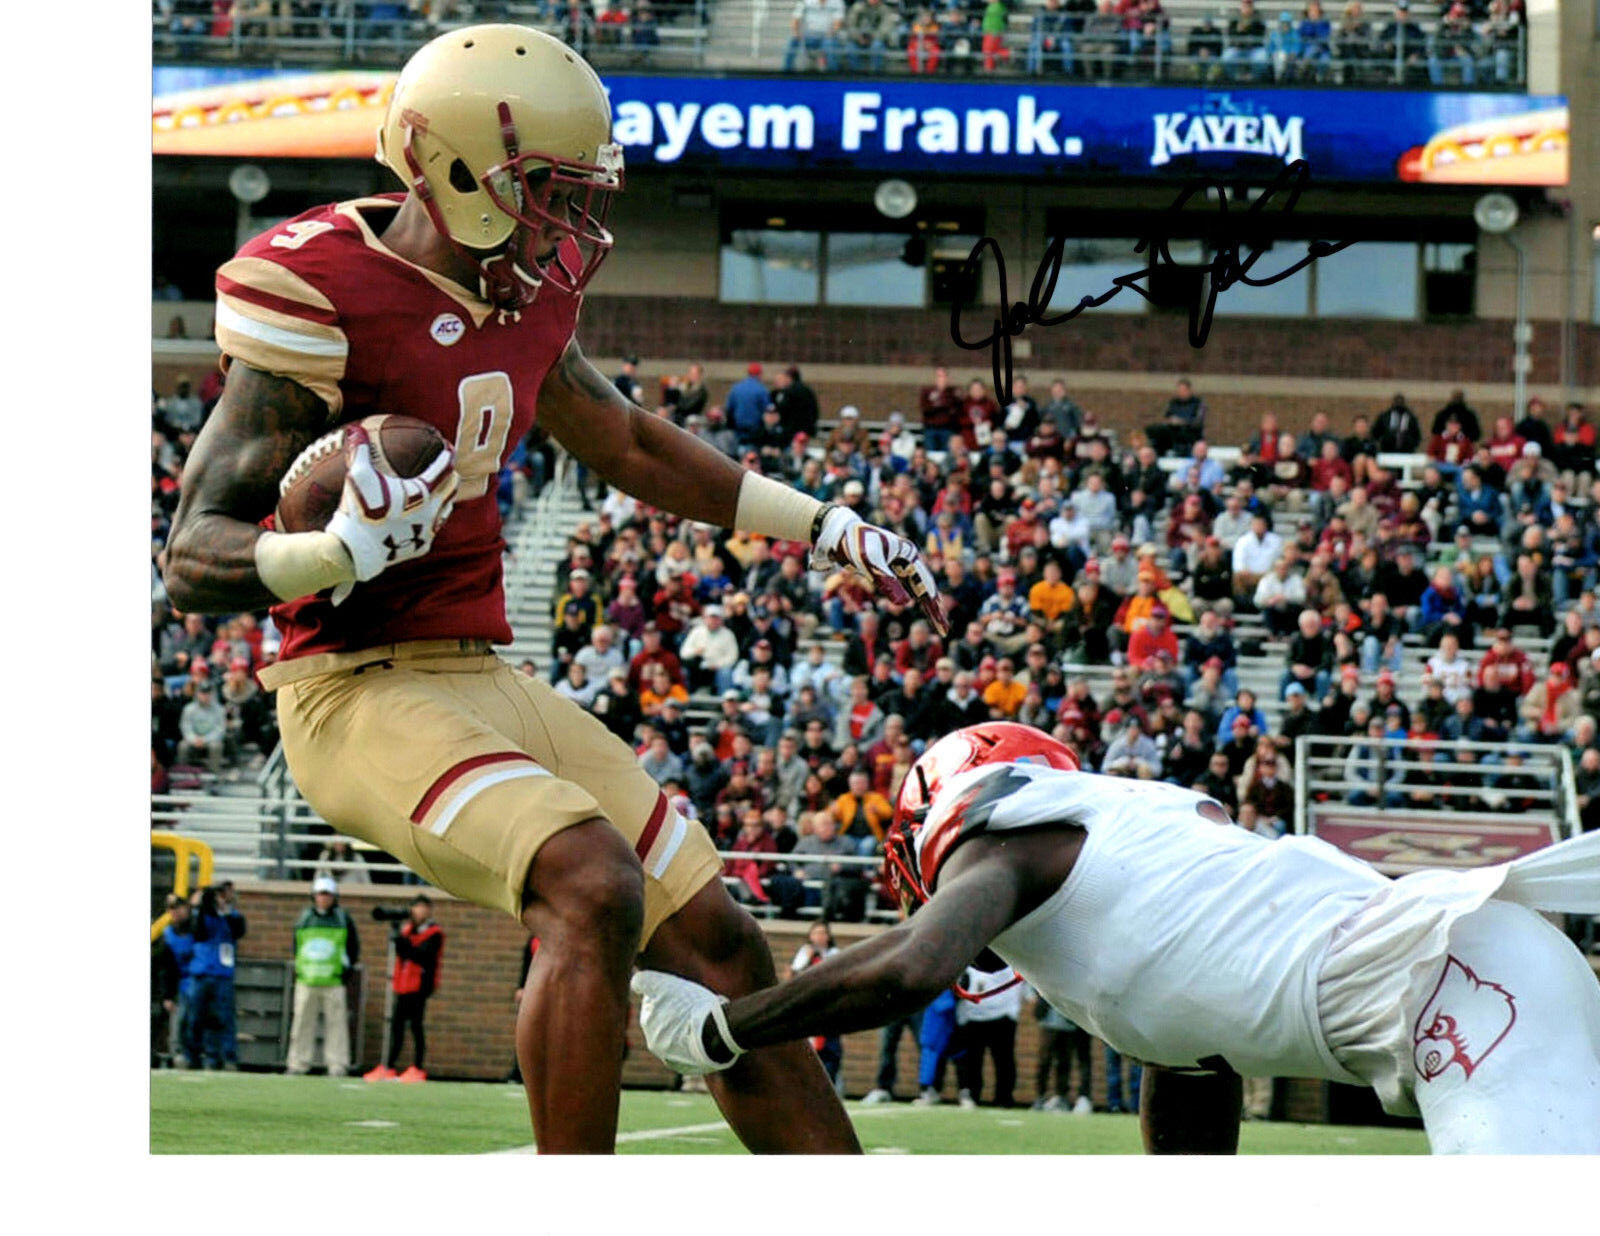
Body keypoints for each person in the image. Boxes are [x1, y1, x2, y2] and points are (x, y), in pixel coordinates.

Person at [164, 23, 942, 1156]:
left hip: (479, 674)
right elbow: (194, 557)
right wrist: (330, 555)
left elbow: (622, 440)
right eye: (550, 193)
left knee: (722, 943)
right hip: (352, 688)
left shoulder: (523, 291)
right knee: (589, 881)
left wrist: (822, 525)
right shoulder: (316, 284)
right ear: (459, 168)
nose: (571, 224)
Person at [634, 722, 1600, 1154]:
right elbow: (1190, 1070)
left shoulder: (1014, 838)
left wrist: (727, 1029)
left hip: (1464, 988)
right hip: (1478, 978)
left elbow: (911, 966)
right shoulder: (1123, 852)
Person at [286, 875, 361, 1077]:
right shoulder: (304, 919)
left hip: (333, 979)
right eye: (321, 894)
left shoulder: (343, 919)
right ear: (314, 896)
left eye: (327, 894)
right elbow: (296, 947)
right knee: (302, 1023)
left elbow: (353, 949)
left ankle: (337, 1064)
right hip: (307, 979)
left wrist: (345, 972)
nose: (324, 898)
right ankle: (298, 1063)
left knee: (337, 1025)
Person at [366, 895, 446, 1083]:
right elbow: (403, 952)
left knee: (416, 1025)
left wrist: (401, 940)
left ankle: (418, 1067)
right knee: (397, 1026)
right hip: (403, 984)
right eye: (416, 907)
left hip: (420, 986)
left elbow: (420, 955)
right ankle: (389, 1065)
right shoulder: (407, 931)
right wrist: (398, 936)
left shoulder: (434, 934)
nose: (419, 912)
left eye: (423, 908)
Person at [184, 885, 246, 1071]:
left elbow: (238, 931)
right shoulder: (202, 916)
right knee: (195, 1018)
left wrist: (226, 911)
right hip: (201, 973)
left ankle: (226, 1057)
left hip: (222, 975)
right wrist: (203, 905)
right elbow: (198, 932)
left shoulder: (233, 917)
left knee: (224, 1018)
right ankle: (192, 1056)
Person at [953, 964, 1022, 1108]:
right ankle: (971, 1094)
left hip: (1003, 1013)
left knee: (1003, 1059)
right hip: (973, 1013)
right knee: (972, 1059)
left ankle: (1004, 1097)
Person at [790, 922, 845, 1090]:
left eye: (823, 933)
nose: (819, 937)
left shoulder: (834, 954)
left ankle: (831, 1085)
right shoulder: (804, 953)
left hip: (829, 1010)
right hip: (809, 1009)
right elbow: (794, 976)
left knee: (831, 1050)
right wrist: (807, 958)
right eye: (816, 933)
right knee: (809, 1050)